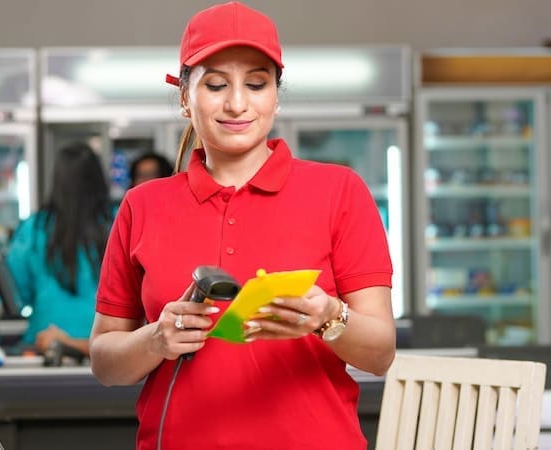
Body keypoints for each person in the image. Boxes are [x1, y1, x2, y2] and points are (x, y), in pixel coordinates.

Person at [89, 2, 396, 449]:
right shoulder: (143, 205)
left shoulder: (339, 191)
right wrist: (155, 339)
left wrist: (329, 316)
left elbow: (381, 354)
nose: (237, 103)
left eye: (256, 84)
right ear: (183, 98)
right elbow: (104, 362)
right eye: (216, 85)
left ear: (275, 94)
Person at [5, 142, 111, 356]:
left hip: (45, 343)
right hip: (108, 347)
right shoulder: (121, 222)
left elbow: (16, 293)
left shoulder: (34, 229)